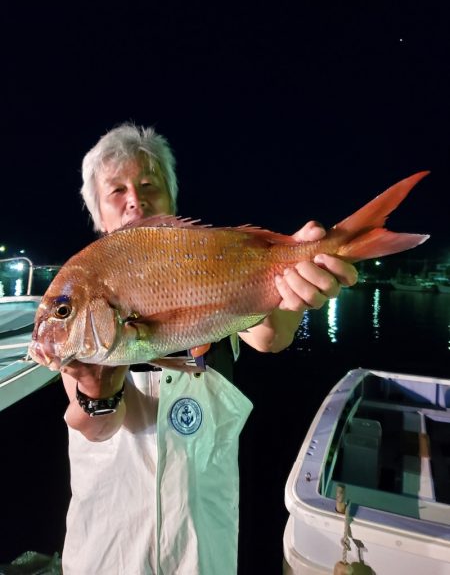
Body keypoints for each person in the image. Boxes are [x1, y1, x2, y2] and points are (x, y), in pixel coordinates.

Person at [60, 123, 358, 574]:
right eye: (116, 190)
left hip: (200, 539)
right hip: (110, 534)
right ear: (98, 214)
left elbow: (270, 334)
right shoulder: (84, 295)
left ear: (172, 201)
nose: (135, 200)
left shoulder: (207, 262)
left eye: (148, 185)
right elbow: (96, 430)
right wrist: (97, 395)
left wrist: (297, 277)